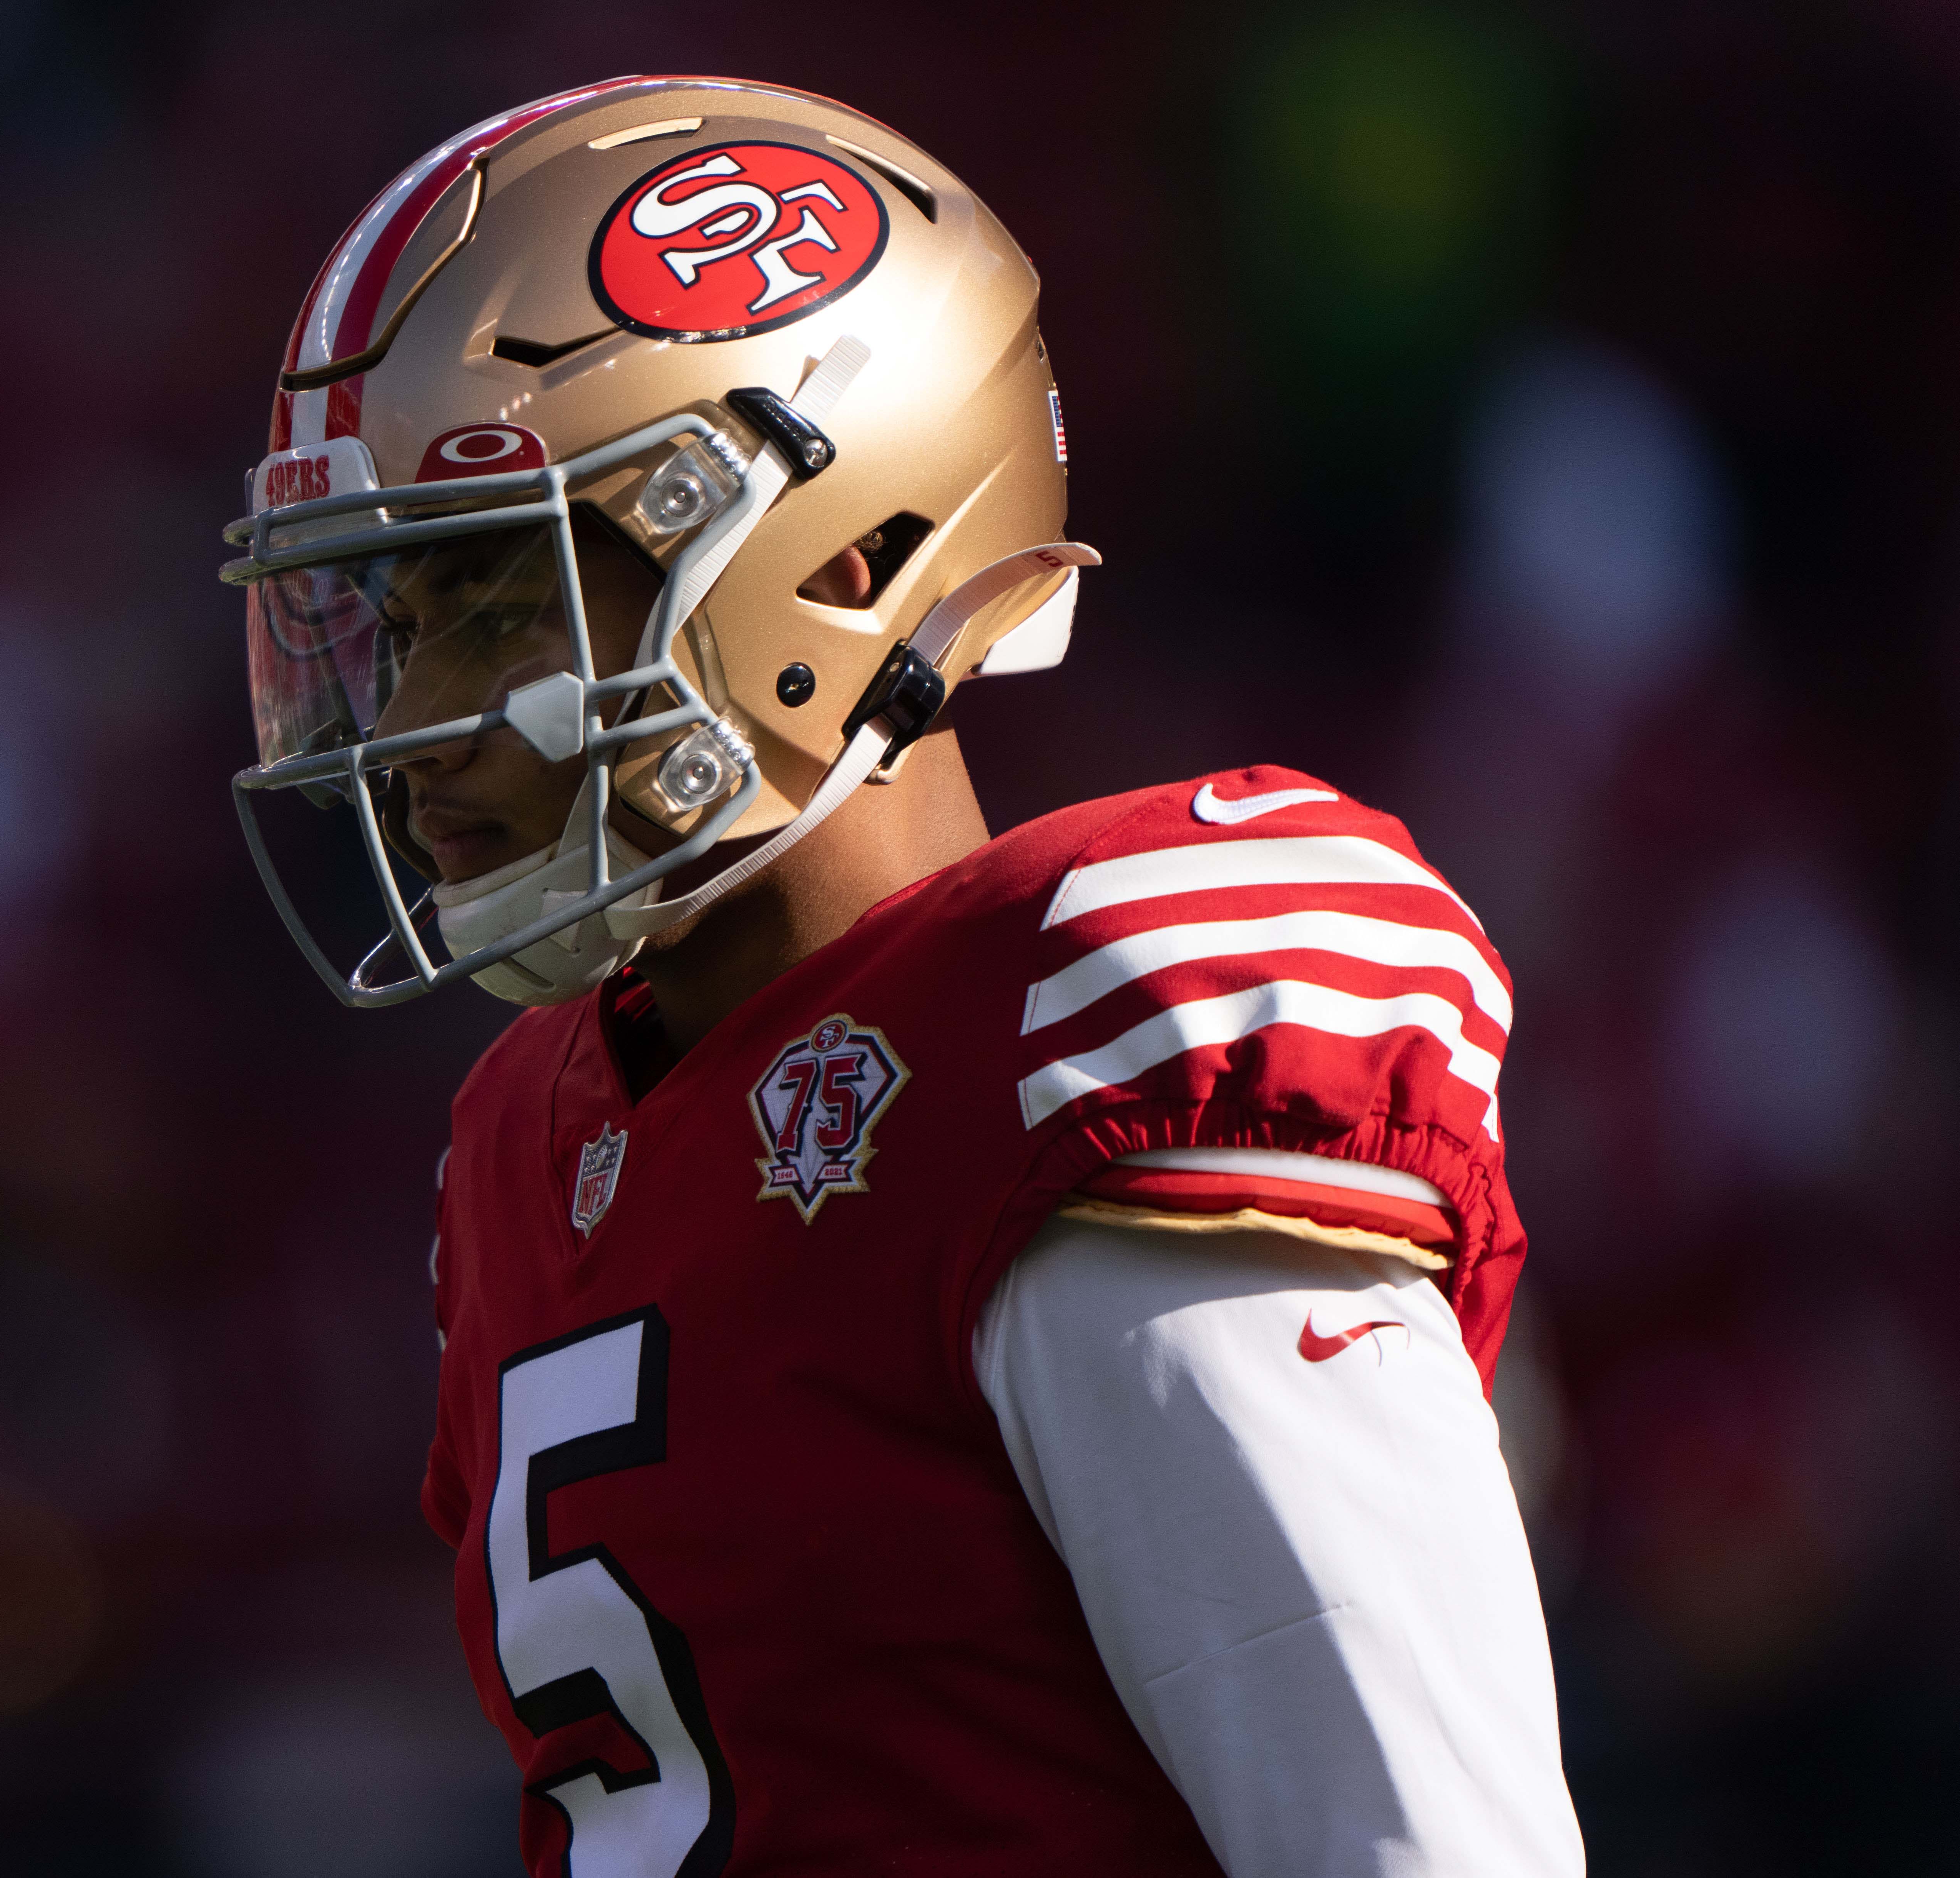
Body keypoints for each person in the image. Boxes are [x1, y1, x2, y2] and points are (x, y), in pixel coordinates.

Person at [223, 75, 1583, 1878]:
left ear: (846, 551)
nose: (411, 727)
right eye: (399, 629)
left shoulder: (1070, 1032)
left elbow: (1418, 1846)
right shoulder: (527, 1146)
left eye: (494, 599)